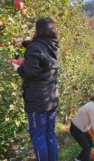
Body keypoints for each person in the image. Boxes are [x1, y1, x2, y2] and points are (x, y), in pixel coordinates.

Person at [11, 17, 60, 161]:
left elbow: (29, 72)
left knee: (38, 138)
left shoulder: (35, 47)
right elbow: (39, 50)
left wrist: (17, 67)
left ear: (38, 30)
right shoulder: (54, 46)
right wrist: (24, 43)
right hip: (51, 98)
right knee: (50, 135)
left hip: (37, 101)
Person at [70, 93, 94, 161]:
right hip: (76, 129)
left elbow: (92, 122)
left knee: (90, 142)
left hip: (82, 128)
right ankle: (84, 159)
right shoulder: (93, 109)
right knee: (87, 148)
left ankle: (79, 158)